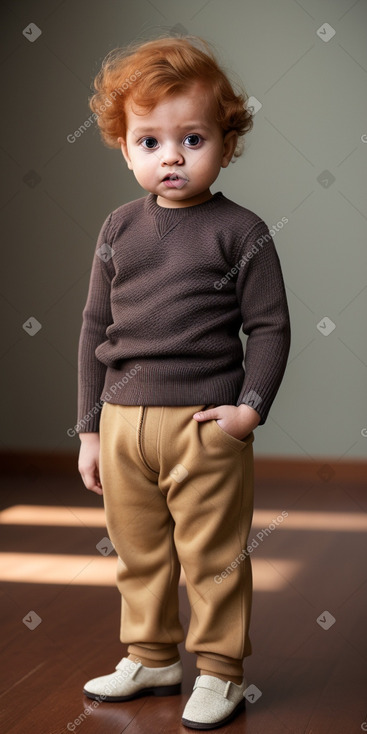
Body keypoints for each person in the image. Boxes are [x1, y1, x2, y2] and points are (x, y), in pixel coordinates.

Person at [77, 35, 291, 730]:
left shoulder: (241, 233)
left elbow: (269, 329)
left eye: (192, 138)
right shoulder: (116, 229)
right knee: (137, 550)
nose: (170, 156)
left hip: (204, 424)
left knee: (213, 556)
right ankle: (151, 655)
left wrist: (246, 412)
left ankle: (222, 671)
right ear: (123, 145)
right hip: (121, 424)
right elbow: (92, 329)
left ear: (226, 146)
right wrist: (87, 429)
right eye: (149, 141)